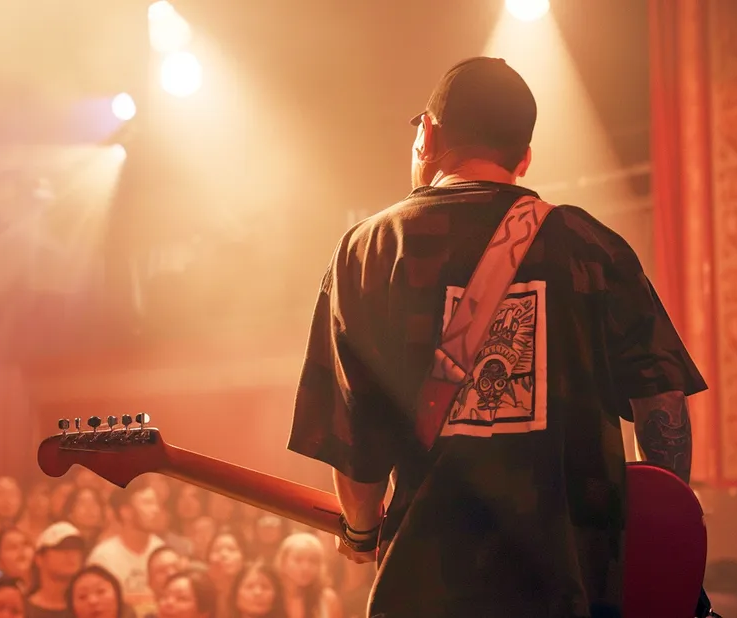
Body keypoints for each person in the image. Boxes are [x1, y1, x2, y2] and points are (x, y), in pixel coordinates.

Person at [287, 56, 706, 617]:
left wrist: (362, 531)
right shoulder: (590, 246)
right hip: (576, 588)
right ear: (524, 157)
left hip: (427, 591)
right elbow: (663, 401)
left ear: (428, 134)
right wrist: (655, 539)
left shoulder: (369, 252)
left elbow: (352, 430)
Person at [86, 478, 165, 616]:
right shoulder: (103, 557)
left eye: (156, 503)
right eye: (147, 503)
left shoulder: (162, 552)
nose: (156, 509)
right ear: (126, 512)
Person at [27, 522, 86, 618]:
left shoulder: (88, 609)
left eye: (76, 548)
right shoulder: (21, 609)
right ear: (39, 558)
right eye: (61, 548)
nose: (71, 553)